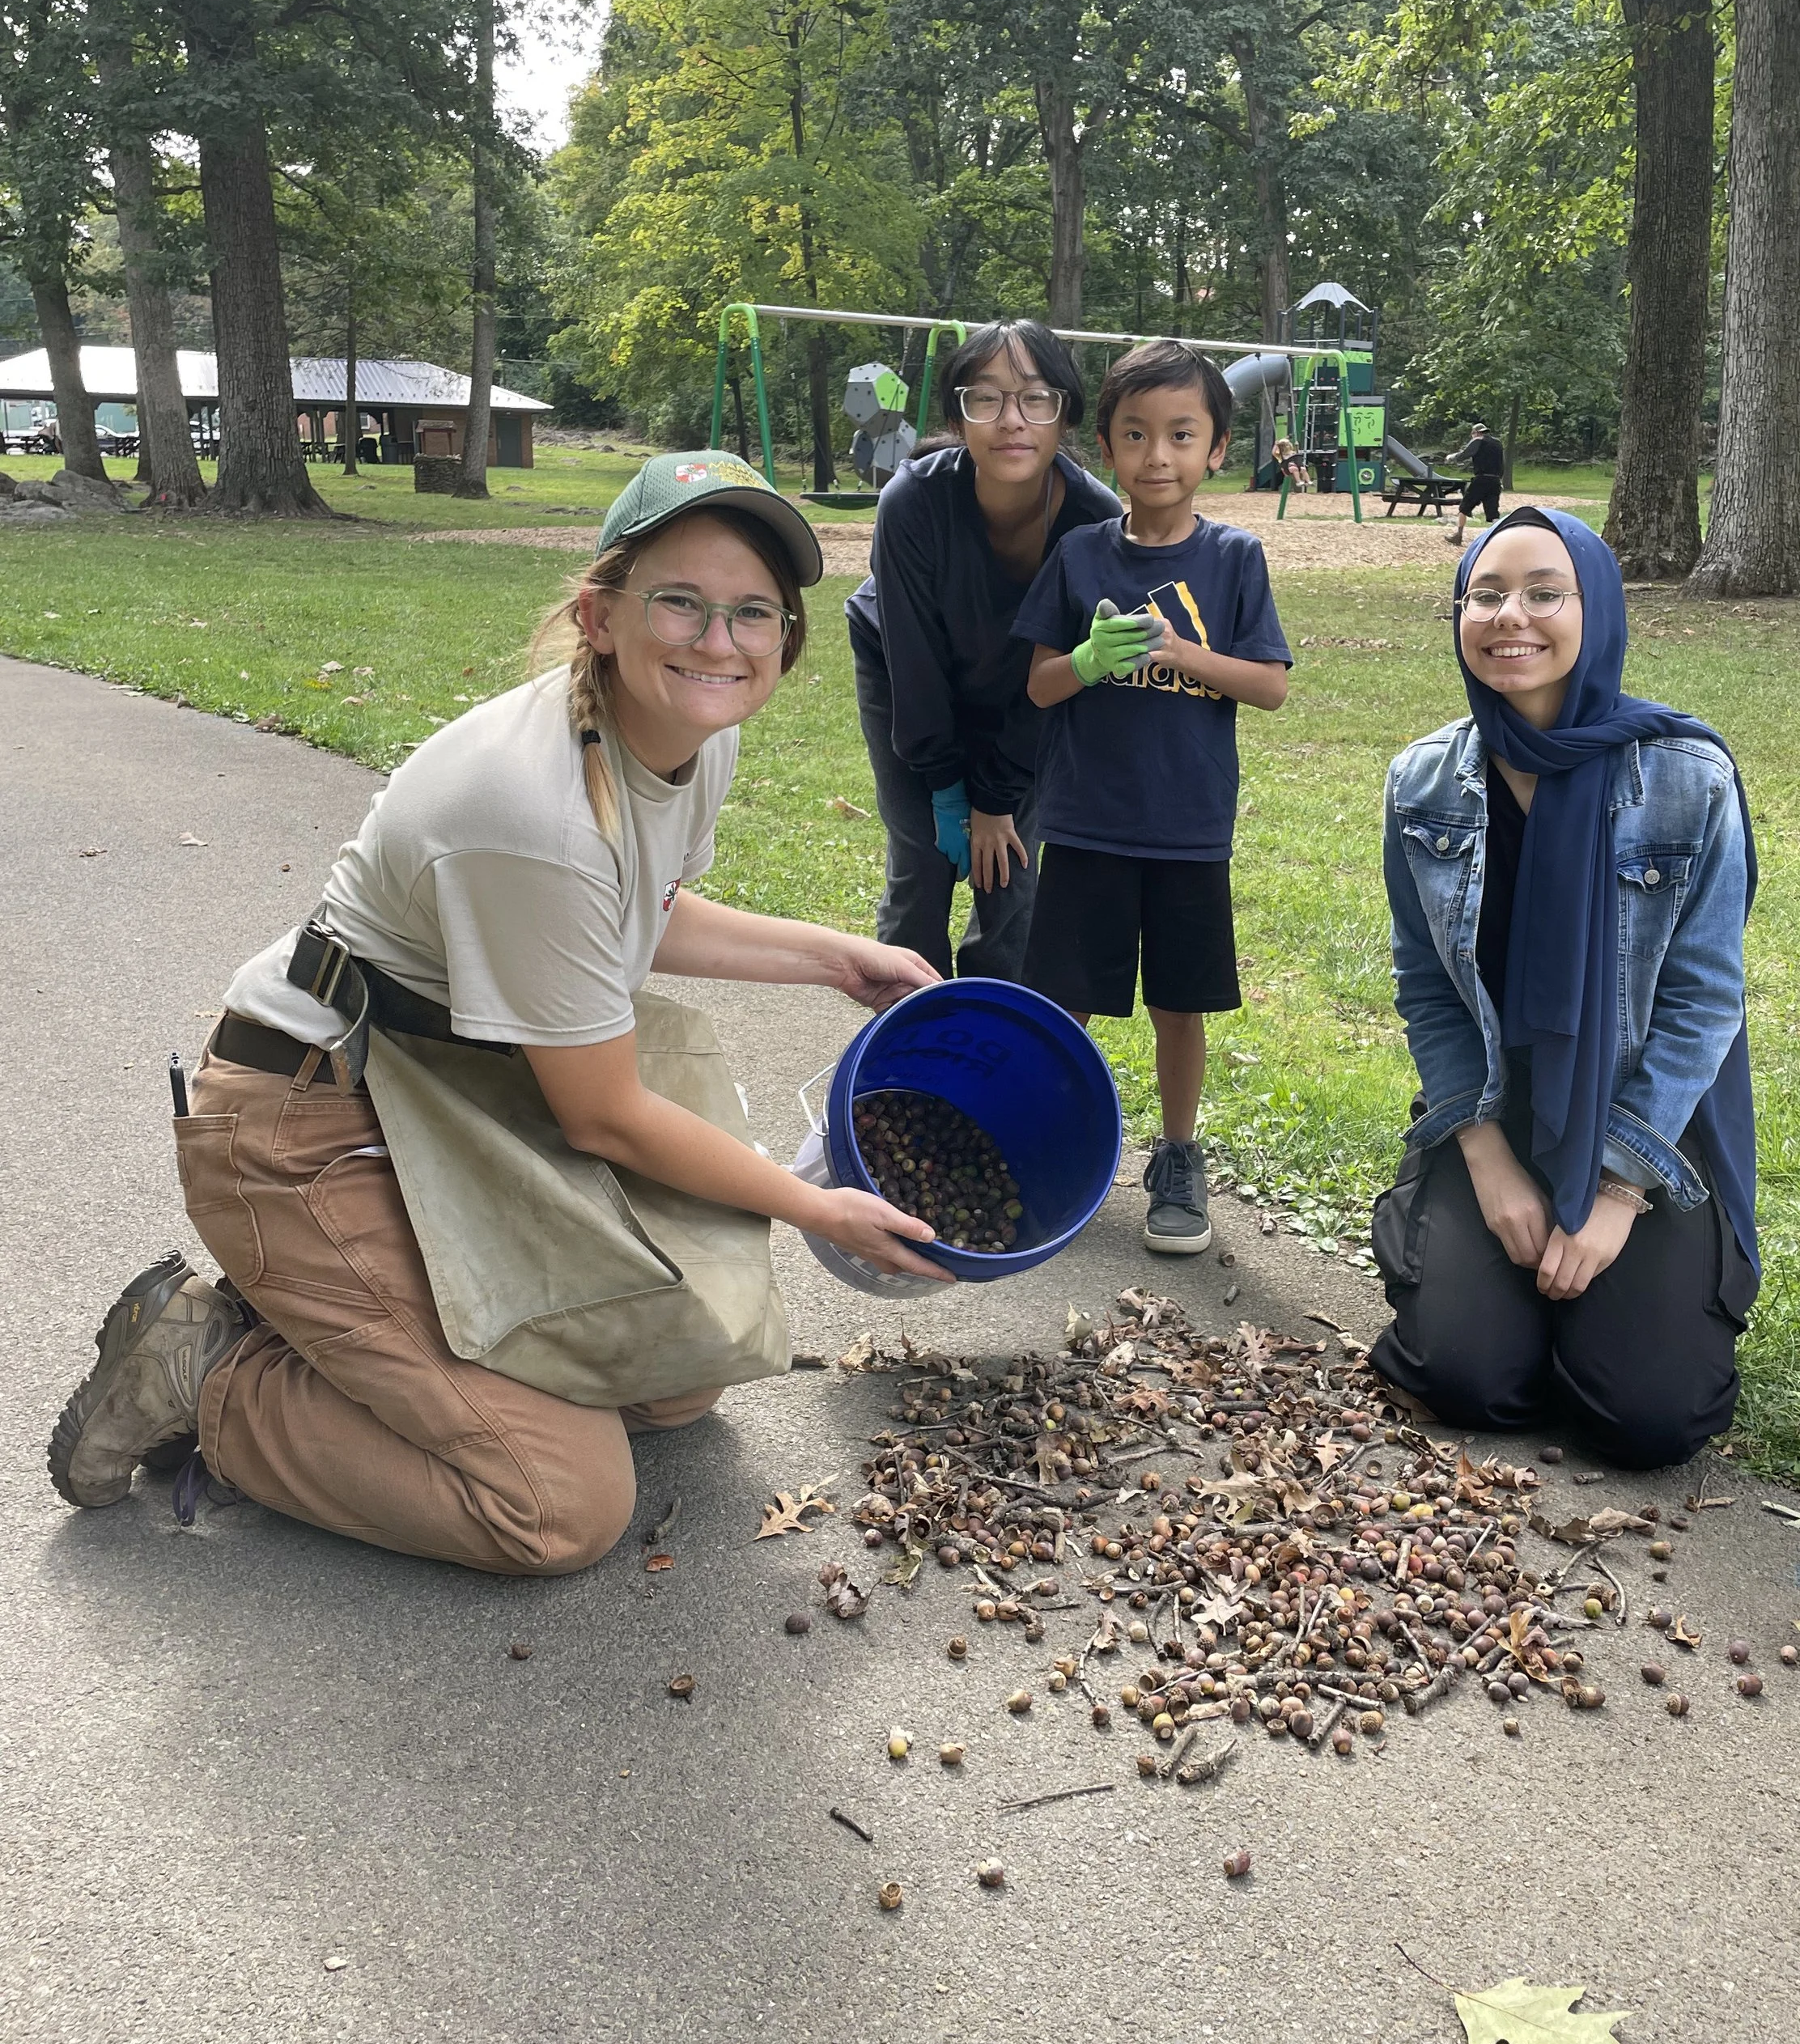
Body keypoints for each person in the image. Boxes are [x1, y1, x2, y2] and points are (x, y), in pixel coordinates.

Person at [48, 454, 948, 1575]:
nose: (719, 640)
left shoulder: (688, 732)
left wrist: (834, 957)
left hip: (454, 1095)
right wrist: (819, 1208)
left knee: (674, 1380)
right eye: (680, 600)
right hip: (303, 1126)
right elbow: (604, 1116)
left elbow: (639, 908)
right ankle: (210, 1370)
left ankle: (371, 1341)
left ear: (785, 636)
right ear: (601, 617)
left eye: (752, 611)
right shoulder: (532, 814)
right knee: (556, 1506)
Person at [1367, 507, 1760, 1467]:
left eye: (1546, 593)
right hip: (1495, 1107)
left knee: (1648, 1419)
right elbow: (1426, 986)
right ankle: (1488, 1286)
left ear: (1599, 610)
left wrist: (1619, 1190)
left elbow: (1703, 1002)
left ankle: (1610, 1312)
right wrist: (1488, 1161)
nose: (1511, 616)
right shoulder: (1422, 783)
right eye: (1486, 595)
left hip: (1641, 1118)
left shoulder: (1689, 779)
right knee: (1468, 1381)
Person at [1013, 340, 1291, 1257]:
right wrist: (1087, 660)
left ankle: (1176, 1156)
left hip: (1187, 830)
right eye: (1135, 435)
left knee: (1180, 1003)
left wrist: (1179, 652)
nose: (1157, 455)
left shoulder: (1235, 556)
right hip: (1086, 823)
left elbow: (1268, 686)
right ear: (1105, 447)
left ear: (1217, 449)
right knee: (1068, 1001)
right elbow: (1039, 686)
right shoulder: (1078, 555)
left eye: (1181, 434)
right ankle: (1051, 1144)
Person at [846, 323, 1116, 981]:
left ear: (1065, 415)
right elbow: (915, 663)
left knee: (1012, 876)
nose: (1011, 420)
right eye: (986, 398)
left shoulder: (1095, 521)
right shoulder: (911, 502)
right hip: (903, 670)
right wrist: (947, 788)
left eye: (1035, 398)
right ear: (956, 417)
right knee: (921, 861)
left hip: (1031, 693)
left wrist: (995, 800)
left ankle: (994, 1032)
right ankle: (907, 1031)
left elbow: (1057, 680)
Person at [1447, 420, 1505, 538]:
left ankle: (1458, 535)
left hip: (1481, 480)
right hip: (1495, 480)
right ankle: (1499, 538)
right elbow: (1502, 463)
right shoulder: (1498, 443)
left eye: (1472, 434)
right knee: (1493, 513)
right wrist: (1500, 479)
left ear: (1477, 432)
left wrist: (1451, 457)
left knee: (1464, 507)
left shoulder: (1478, 440)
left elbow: (1464, 455)